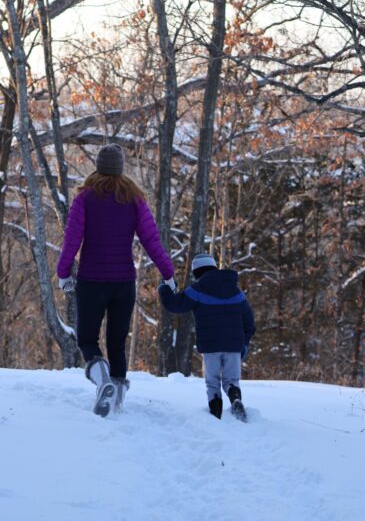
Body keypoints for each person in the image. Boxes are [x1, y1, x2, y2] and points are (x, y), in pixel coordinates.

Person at [56, 144, 176, 417]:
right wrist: (167, 273)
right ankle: (117, 401)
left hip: (92, 281)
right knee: (117, 341)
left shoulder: (85, 198)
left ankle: (103, 382)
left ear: (98, 166)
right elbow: (151, 241)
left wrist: (63, 273)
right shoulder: (134, 199)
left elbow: (72, 241)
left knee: (87, 338)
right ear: (120, 168)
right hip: (124, 283)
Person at [159, 254, 256, 420]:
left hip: (210, 346)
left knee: (213, 382)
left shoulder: (198, 289)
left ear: (196, 271)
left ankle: (215, 415)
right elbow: (249, 321)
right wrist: (244, 343)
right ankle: (235, 398)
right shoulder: (236, 291)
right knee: (231, 380)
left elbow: (175, 305)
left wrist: (164, 289)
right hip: (234, 345)